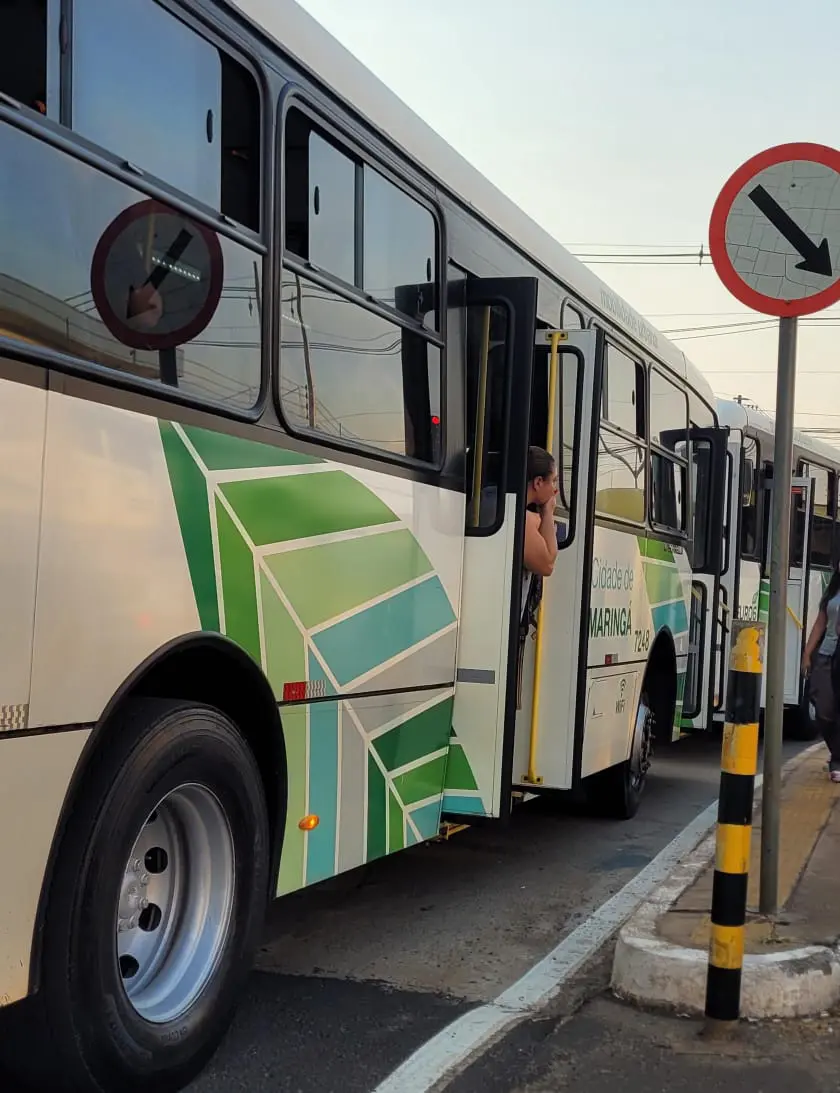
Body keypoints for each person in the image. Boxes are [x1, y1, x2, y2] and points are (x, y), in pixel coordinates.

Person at [802, 564, 840, 782]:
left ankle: (837, 759)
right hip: (826, 655)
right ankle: (837, 752)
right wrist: (807, 653)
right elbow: (820, 623)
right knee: (823, 710)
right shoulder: (833, 590)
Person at [521, 446, 559, 623]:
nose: (555, 490)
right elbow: (548, 564)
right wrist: (548, 511)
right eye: (553, 481)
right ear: (538, 483)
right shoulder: (520, 518)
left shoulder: (490, 498)